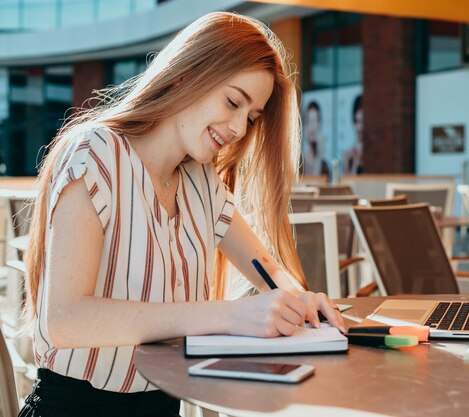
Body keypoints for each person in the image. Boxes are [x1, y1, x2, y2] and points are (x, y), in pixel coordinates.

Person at [18, 12, 344, 417]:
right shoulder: (97, 153)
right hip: (74, 409)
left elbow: (268, 272)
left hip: (163, 406)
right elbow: (64, 321)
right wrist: (229, 315)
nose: (240, 128)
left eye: (251, 117)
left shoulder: (201, 182)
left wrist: (301, 302)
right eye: (232, 102)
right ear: (186, 74)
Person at [302, 100, 329, 175]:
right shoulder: (299, 163)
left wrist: (319, 155)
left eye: (315, 121)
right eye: (309, 121)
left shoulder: (325, 165)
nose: (312, 127)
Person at [342, 94, 364, 175]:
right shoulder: (349, 155)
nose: (359, 127)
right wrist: (355, 162)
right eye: (356, 122)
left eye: (362, 122)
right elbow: (348, 183)